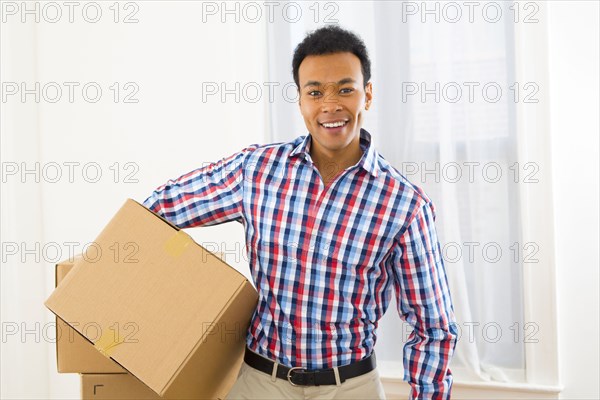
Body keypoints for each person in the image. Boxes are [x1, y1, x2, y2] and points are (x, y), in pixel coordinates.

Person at [143, 25, 458, 400]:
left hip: (351, 387)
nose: (330, 105)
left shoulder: (404, 204)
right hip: (260, 381)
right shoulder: (255, 171)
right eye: (315, 92)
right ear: (300, 100)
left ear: (368, 95)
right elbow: (160, 209)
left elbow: (433, 327)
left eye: (345, 89)